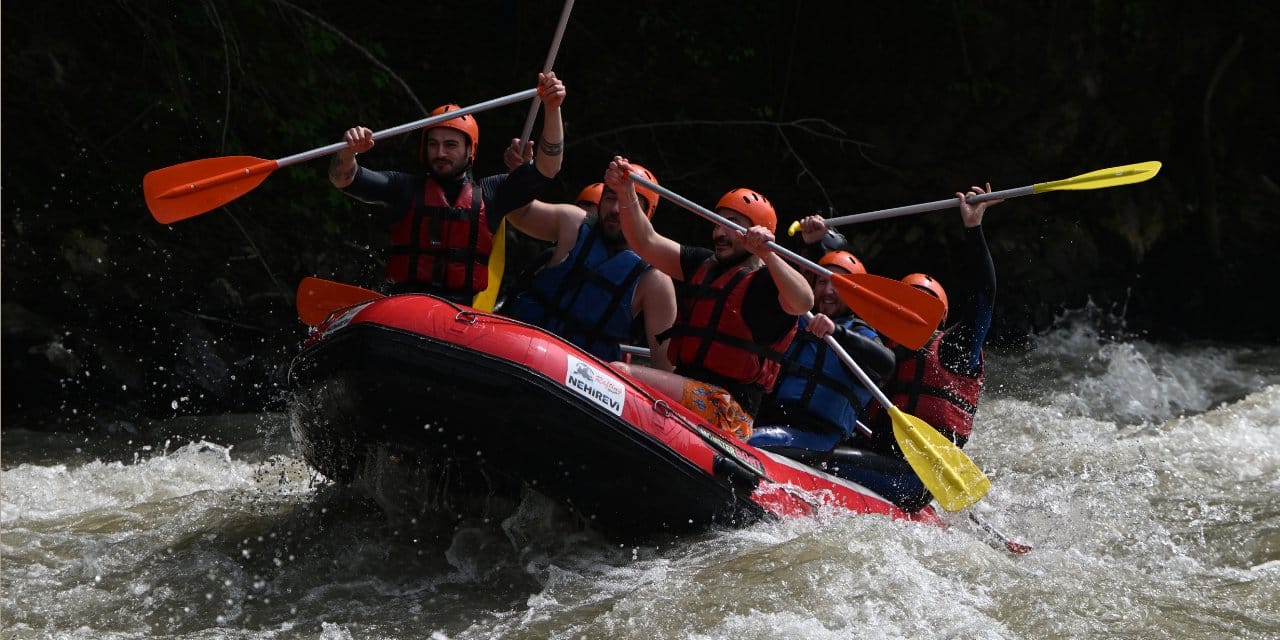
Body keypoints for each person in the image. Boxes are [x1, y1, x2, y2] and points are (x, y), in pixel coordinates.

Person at [606, 157, 813, 440]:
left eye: (731, 224)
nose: (718, 233)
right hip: (689, 385)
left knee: (620, 373)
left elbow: (804, 302)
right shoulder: (703, 264)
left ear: (755, 232)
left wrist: (769, 254)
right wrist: (625, 191)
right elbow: (645, 242)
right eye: (717, 223)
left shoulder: (767, 284)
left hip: (729, 411)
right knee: (618, 373)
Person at [327, 72, 567, 303]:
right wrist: (348, 152)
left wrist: (552, 107)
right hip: (404, 305)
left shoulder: (492, 194)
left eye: (450, 145)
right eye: (433, 144)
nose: (440, 152)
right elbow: (344, 179)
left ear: (470, 150)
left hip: (458, 315)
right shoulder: (404, 188)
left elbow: (548, 168)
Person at [843, 182, 1003, 511]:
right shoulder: (877, 346)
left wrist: (974, 228)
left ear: (941, 318)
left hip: (917, 477)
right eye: (907, 302)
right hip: (874, 455)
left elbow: (984, 294)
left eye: (925, 306)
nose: (914, 312)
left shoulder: (955, 349)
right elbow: (836, 292)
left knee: (821, 458)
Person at [503, 164, 677, 371]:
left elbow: (665, 368)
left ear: (646, 215)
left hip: (579, 379)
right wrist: (522, 173)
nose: (615, 209)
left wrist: (627, 372)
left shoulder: (655, 281)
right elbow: (519, 212)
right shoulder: (573, 223)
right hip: (521, 350)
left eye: (626, 201)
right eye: (610, 198)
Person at [749, 249, 896, 460]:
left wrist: (837, 331)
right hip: (768, 416)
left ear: (855, 295)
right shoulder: (796, 319)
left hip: (818, 436)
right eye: (822, 282)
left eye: (838, 285)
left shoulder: (860, 335)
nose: (828, 291)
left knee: (752, 440)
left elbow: (887, 363)